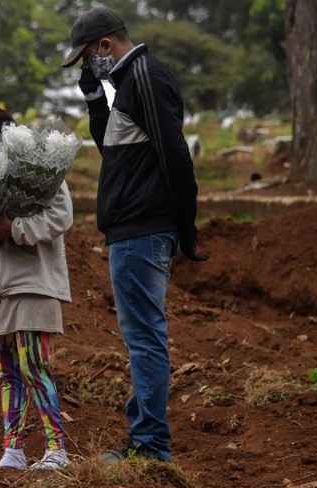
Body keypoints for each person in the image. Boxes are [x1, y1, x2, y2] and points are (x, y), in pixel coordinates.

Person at [62, 7, 207, 463]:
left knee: (145, 338)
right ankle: (144, 435)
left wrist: (186, 229)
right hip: (133, 230)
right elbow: (116, 150)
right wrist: (94, 101)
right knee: (141, 337)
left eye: (88, 57)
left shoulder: (144, 76)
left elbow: (175, 155)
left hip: (143, 231)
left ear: (106, 45)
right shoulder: (127, 83)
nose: (88, 65)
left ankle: (151, 446)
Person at [0, 108, 74, 471]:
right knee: (8, 371)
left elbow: (61, 216)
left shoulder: (40, 171)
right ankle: (13, 448)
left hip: (33, 283)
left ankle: (56, 449)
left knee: (34, 366)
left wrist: (13, 230)